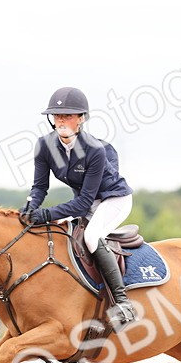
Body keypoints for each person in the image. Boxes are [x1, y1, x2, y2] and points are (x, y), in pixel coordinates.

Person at [21, 86, 136, 329]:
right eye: (57, 115)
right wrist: (30, 207)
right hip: (87, 201)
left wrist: (46, 214)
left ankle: (122, 302)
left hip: (113, 199)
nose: (61, 120)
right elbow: (40, 186)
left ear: (81, 119)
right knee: (61, 235)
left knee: (92, 237)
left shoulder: (94, 150)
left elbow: (83, 203)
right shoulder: (44, 145)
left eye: (68, 115)